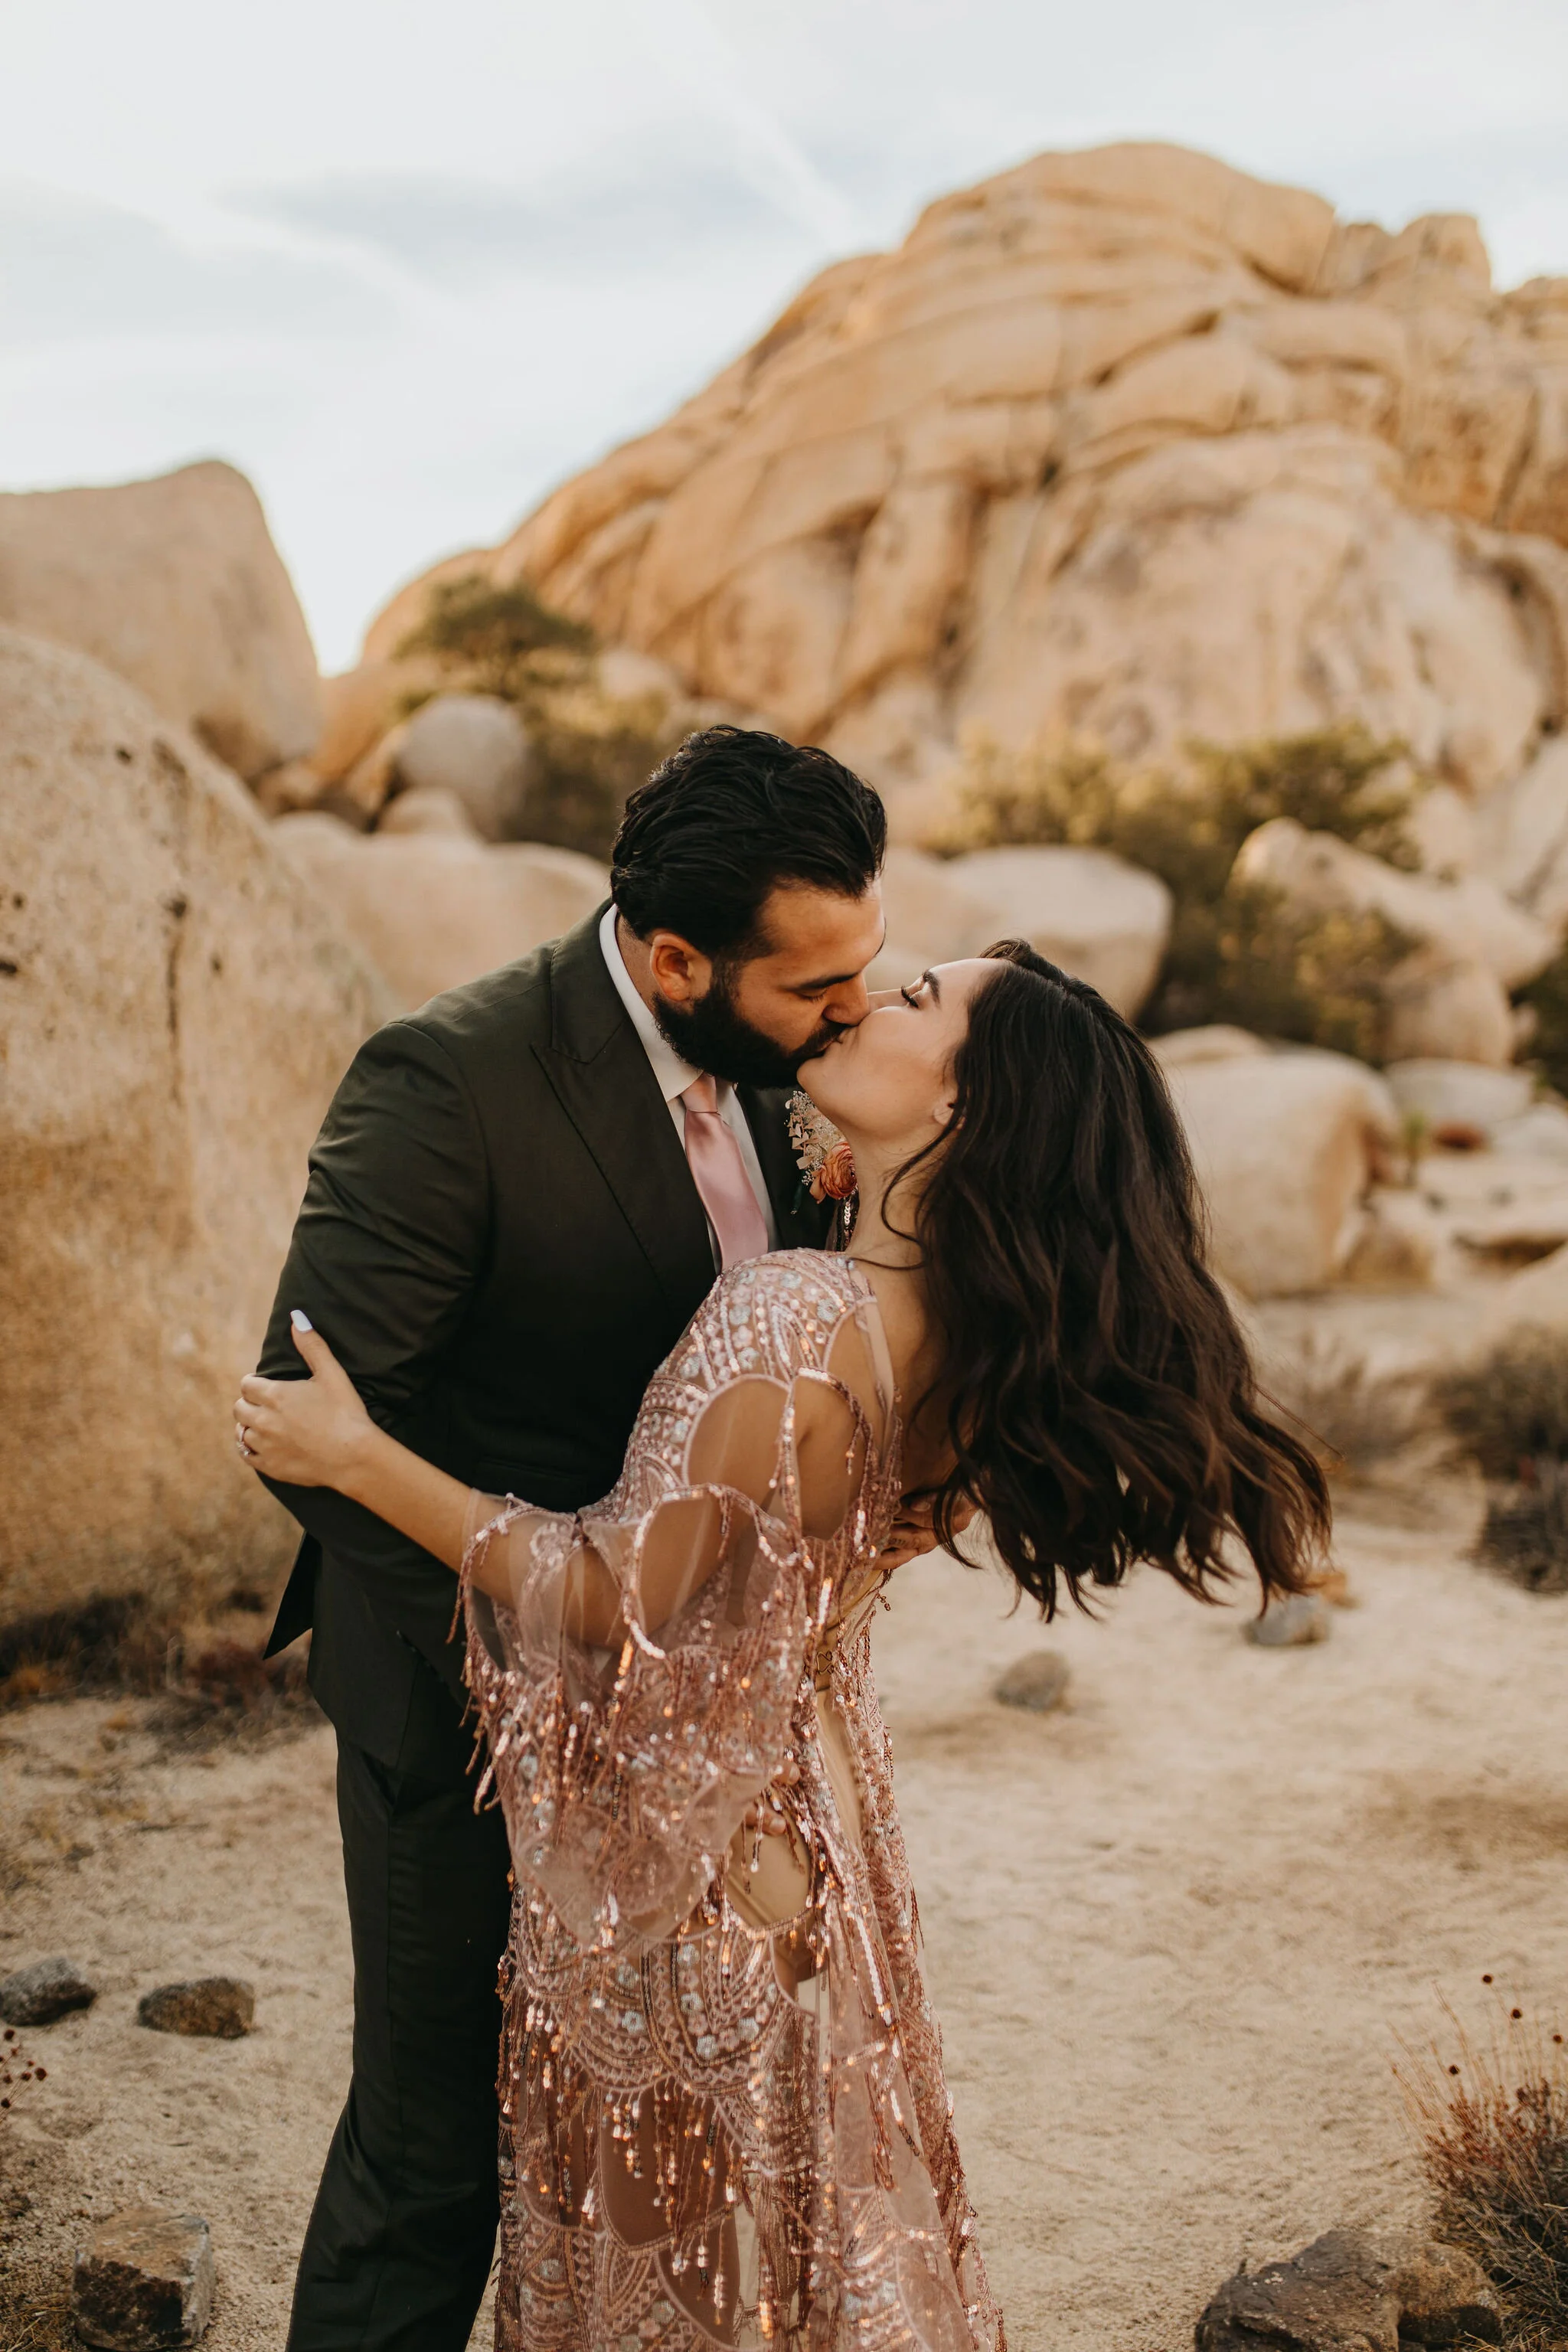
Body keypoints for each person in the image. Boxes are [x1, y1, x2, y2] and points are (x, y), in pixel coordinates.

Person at [238, 938, 1331, 2352]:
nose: (870, 1001)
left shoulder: (794, 1317)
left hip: (693, 1874)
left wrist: (358, 1456)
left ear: (964, 1108)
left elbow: (607, 1605)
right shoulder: (975, 1343)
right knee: (797, 2247)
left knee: (682, 2276)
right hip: (820, 1839)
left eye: (915, 1001)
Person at [250, 727, 890, 2350]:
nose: (854, 1013)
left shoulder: (791, 1083)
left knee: (647, 2154)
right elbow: (310, 1432)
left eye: (866, 973)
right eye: (813, 986)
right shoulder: (445, 1084)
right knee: (435, 2160)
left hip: (703, 1738)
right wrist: (561, 1644)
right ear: (674, 960)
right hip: (466, 1716)